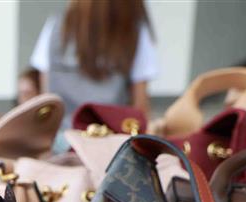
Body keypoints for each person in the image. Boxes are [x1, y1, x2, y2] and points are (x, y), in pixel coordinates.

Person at [29, 0, 158, 122]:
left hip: (61, 132)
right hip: (112, 132)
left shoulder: (56, 26)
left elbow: (45, 96)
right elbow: (140, 107)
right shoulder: (134, 32)